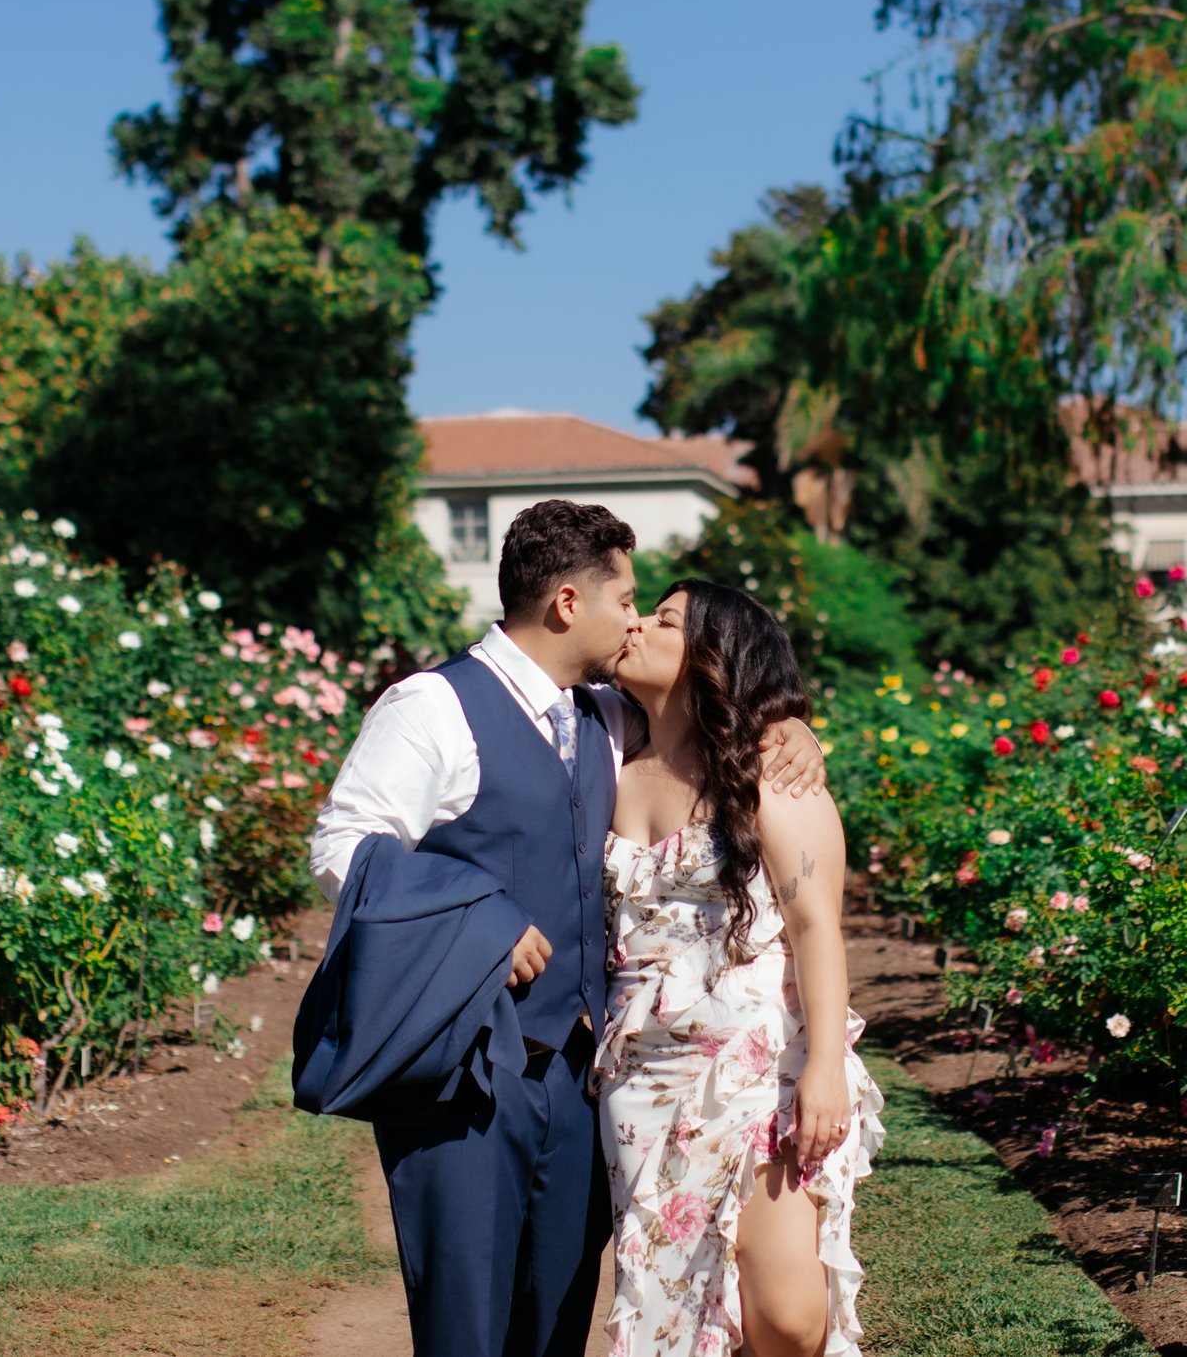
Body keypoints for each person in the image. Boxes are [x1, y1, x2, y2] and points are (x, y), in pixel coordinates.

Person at [306, 500, 825, 1357]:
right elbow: (344, 845)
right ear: (568, 606)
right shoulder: (432, 706)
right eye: (627, 600)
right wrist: (476, 919)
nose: (636, 619)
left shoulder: (602, 716)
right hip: (465, 1071)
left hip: (580, 1084)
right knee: (467, 1328)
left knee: (555, 1320)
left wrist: (786, 725)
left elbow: (709, 717)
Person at [598, 578, 885, 1357]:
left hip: (758, 1069)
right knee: (676, 1298)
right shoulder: (606, 756)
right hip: (640, 1079)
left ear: (713, 658)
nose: (636, 626)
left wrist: (825, 1063)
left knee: (788, 1317)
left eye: (662, 620)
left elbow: (819, 923)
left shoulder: (772, 775)